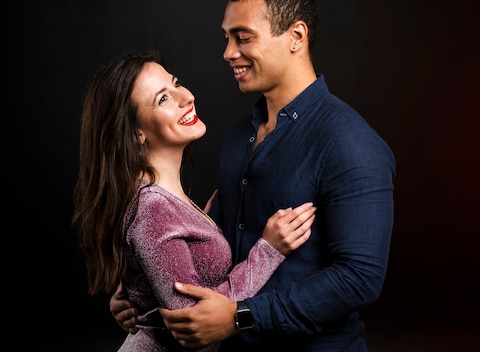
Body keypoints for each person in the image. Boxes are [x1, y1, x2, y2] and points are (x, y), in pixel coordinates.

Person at [110, 0, 396, 350]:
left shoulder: (350, 143)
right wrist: (142, 292)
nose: (229, 53)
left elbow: (359, 278)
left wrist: (239, 316)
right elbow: (204, 258)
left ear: (295, 36)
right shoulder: (238, 138)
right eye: (227, 38)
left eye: (243, 38)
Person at [72, 49, 316, 351]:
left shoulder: (162, 201)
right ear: (136, 133)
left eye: (175, 83)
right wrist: (268, 252)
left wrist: (204, 228)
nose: (185, 97)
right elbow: (193, 324)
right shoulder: (153, 209)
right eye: (163, 99)